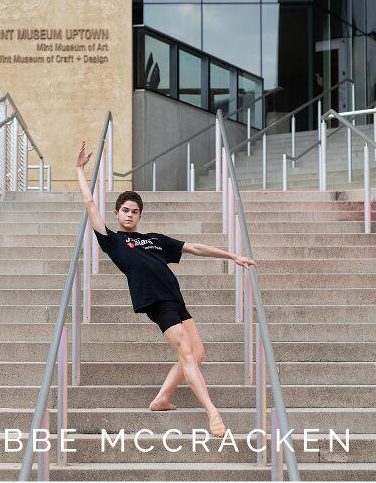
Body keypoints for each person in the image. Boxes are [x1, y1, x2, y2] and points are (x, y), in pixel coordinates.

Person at [75, 140, 256, 439]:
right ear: (118, 214)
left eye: (134, 211)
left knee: (198, 353)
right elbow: (89, 205)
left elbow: (194, 247)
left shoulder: (155, 238)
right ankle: (212, 413)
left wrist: (232, 256)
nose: (129, 214)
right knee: (186, 353)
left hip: (175, 298)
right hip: (156, 301)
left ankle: (161, 399)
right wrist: (80, 170)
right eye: (124, 210)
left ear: (140, 215)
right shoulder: (112, 241)